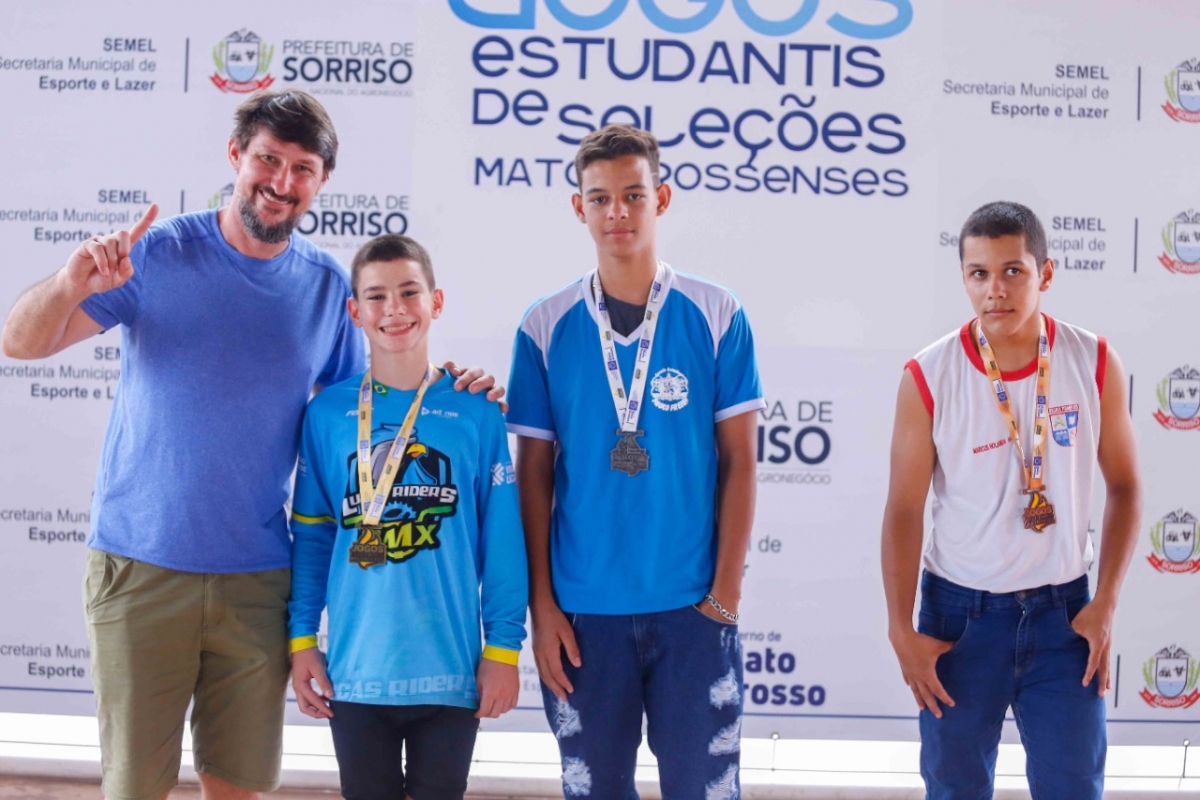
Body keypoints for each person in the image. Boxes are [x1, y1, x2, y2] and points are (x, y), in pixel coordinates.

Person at [0, 89, 500, 800]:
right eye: (268, 159)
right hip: (142, 569)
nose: (281, 182)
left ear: (321, 181)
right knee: (134, 788)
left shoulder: (326, 289)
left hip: (259, 580)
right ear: (236, 155)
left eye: (302, 169)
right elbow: (21, 343)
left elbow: (365, 417)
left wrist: (453, 390)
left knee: (237, 787)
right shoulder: (157, 254)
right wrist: (67, 282)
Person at [506, 124, 764, 799]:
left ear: (662, 198)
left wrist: (725, 597)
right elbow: (532, 478)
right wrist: (542, 606)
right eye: (599, 198)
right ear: (579, 207)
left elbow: (741, 461)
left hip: (693, 609)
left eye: (633, 195)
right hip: (583, 617)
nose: (616, 212)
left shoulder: (717, 313)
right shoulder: (543, 326)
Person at [880, 201, 1142, 799]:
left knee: (1074, 788)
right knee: (956, 789)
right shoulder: (929, 374)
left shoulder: (1093, 361)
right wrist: (900, 628)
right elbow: (903, 510)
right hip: (959, 619)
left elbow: (1126, 487)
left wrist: (1105, 601)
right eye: (979, 273)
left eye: (1012, 271)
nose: (994, 289)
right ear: (964, 277)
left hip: (1064, 617)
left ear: (1045, 273)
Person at [287, 234, 528, 800]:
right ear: (355, 312)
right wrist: (301, 639)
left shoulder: (477, 410)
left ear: (435, 302)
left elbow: (502, 542)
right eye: (376, 296)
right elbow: (313, 538)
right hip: (355, 671)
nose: (394, 309)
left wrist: (503, 649)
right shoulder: (327, 413)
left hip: (451, 669)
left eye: (409, 292)